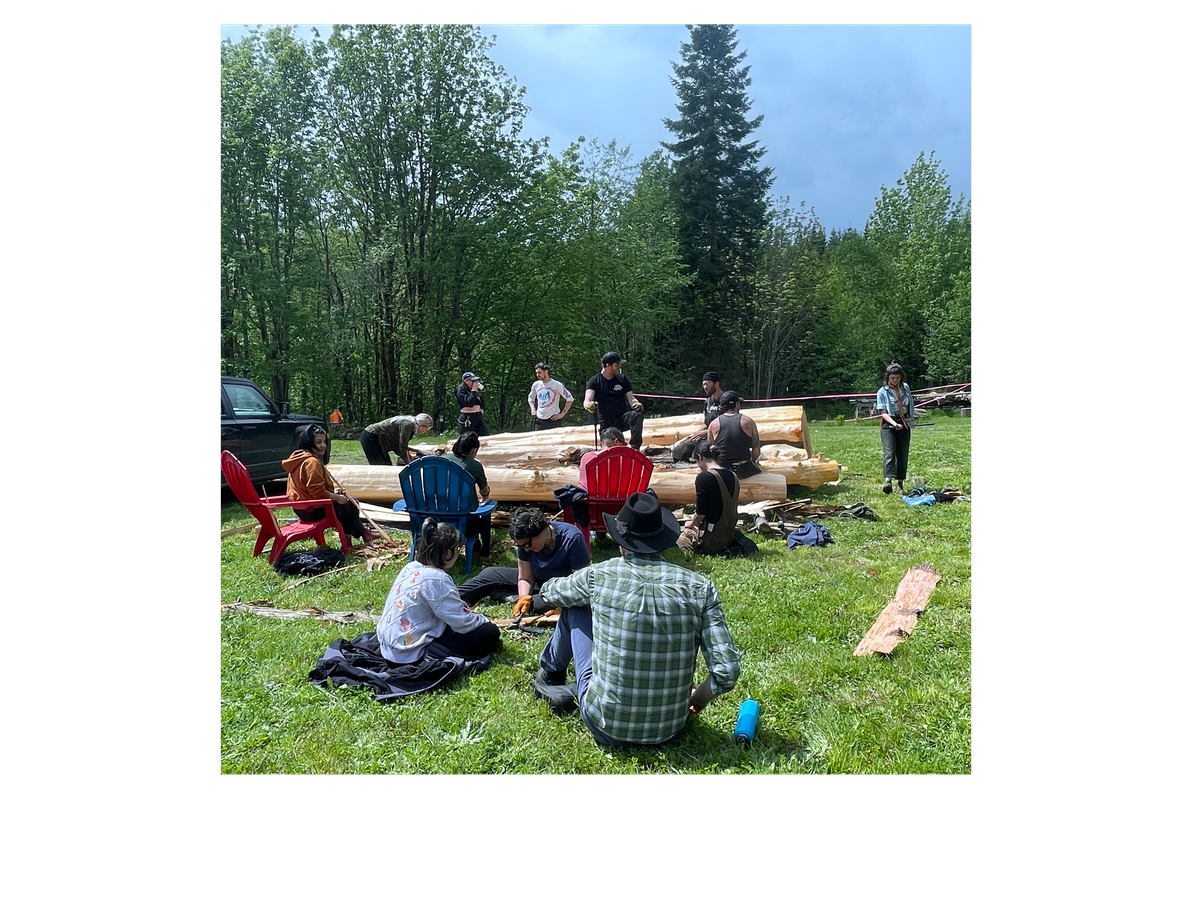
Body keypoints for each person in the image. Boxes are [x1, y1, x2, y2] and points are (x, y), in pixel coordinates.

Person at [530, 492, 741, 747]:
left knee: (574, 607)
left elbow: (552, 592)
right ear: (662, 538)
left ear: (622, 540)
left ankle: (551, 673)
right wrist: (696, 700)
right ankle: (560, 681)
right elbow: (726, 670)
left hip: (604, 724)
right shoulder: (700, 587)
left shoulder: (600, 574)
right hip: (670, 729)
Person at [376, 520, 501, 665]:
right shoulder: (437, 578)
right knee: (489, 633)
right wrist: (483, 620)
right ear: (448, 553)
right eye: (457, 549)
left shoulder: (411, 567)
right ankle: (433, 652)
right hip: (408, 652)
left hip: (388, 645)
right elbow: (463, 622)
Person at [457, 507, 589, 607]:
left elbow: (580, 585)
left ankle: (508, 596)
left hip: (561, 589)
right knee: (489, 574)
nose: (526, 548)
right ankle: (449, 600)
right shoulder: (525, 544)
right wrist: (523, 598)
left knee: (538, 604)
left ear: (541, 531)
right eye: (522, 546)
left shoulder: (572, 538)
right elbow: (525, 577)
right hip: (537, 580)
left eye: (528, 544)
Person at [284, 424, 370, 543]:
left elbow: (307, 488)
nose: (323, 445)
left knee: (348, 501)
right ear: (309, 442)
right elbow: (316, 492)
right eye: (318, 442)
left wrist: (333, 493)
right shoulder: (312, 462)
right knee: (349, 505)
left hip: (301, 509)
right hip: (311, 510)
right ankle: (353, 538)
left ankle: (363, 534)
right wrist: (337, 498)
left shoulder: (298, 458)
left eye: (324, 441)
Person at [677, 443, 740, 555]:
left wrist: (692, 524)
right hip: (728, 536)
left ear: (700, 457)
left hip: (711, 541)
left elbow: (701, 513)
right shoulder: (732, 475)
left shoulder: (704, 477)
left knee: (679, 536)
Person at [583, 352, 644, 452]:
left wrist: (636, 404)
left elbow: (631, 398)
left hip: (622, 418)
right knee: (612, 448)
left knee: (636, 415)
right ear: (608, 365)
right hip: (607, 423)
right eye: (617, 364)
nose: (619, 366)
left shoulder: (622, 379)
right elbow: (587, 401)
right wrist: (589, 405)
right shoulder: (594, 381)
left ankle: (635, 448)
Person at [445, 431, 493, 555]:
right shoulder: (474, 465)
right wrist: (486, 495)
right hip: (464, 523)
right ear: (473, 450)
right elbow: (484, 491)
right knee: (484, 516)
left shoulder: (442, 460)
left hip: (438, 519)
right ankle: (483, 550)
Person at [876, 362, 916, 494]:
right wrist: (894, 424)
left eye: (897, 377)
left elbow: (909, 404)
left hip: (904, 424)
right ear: (887, 378)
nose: (895, 380)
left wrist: (910, 418)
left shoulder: (905, 387)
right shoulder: (882, 392)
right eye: (892, 378)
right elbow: (883, 412)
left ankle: (900, 482)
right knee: (889, 453)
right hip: (888, 425)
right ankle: (888, 481)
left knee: (902, 453)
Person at [707, 391, 761, 478]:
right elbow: (756, 450)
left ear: (721, 406)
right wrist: (753, 461)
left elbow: (709, 450)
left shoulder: (713, 424)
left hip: (723, 470)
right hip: (744, 470)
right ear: (737, 404)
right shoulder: (748, 422)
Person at [673, 371, 724, 462]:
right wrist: (697, 433)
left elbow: (728, 425)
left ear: (717, 384)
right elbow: (706, 422)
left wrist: (704, 433)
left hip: (721, 438)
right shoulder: (708, 401)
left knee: (698, 452)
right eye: (703, 384)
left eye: (708, 383)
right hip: (707, 436)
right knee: (680, 450)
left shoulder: (726, 400)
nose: (705, 387)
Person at [360, 413, 434, 465]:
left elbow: (398, 446)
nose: (425, 432)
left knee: (387, 466)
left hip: (377, 439)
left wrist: (417, 452)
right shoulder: (407, 424)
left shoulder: (411, 425)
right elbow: (402, 447)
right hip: (371, 437)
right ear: (422, 426)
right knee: (380, 466)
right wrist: (409, 462)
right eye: (426, 429)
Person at [528, 363, 574, 430]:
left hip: (553, 420)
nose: (538, 375)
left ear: (546, 372)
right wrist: (533, 409)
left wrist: (562, 414)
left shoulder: (556, 384)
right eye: (536, 373)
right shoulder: (536, 385)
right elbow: (530, 398)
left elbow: (570, 398)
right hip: (540, 419)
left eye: (539, 372)